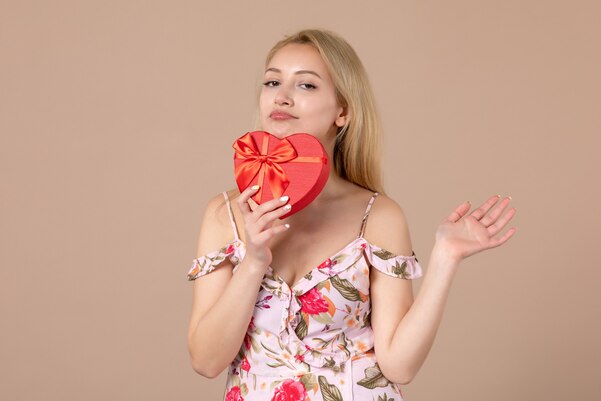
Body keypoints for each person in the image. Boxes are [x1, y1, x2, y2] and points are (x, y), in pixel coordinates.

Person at [186, 29, 516, 401]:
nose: (282, 96)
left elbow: (398, 366)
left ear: (342, 111)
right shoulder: (224, 215)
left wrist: (445, 257)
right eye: (273, 81)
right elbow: (206, 360)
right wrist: (254, 261)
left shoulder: (377, 216)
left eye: (306, 85)